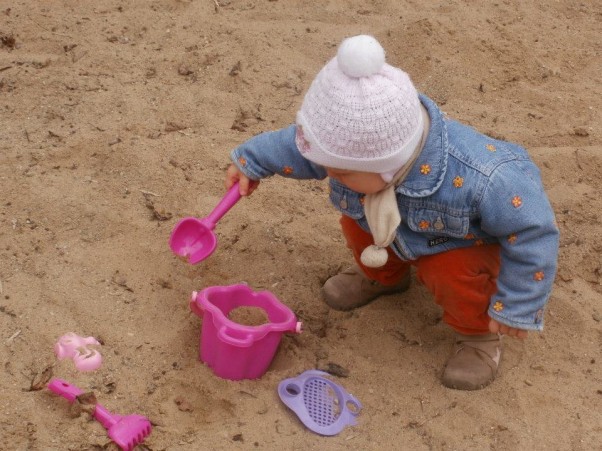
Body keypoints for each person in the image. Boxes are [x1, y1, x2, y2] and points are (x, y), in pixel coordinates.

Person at [224, 35, 559, 390]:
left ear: (386, 165)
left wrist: (520, 305)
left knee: (452, 273)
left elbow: (534, 231)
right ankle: (386, 277)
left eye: (338, 171)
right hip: (395, 227)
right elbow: (297, 148)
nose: (327, 173)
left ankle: (478, 338)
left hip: (459, 243)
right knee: (357, 224)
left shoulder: (484, 178)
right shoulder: (348, 148)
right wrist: (251, 163)